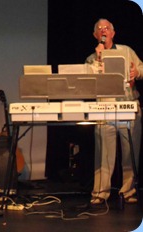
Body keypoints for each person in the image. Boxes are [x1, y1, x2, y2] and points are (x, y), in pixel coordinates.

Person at [85, 18, 143, 204]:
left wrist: (137, 73)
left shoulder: (126, 51)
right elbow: (88, 82)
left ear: (113, 33)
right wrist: (100, 58)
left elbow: (141, 68)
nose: (103, 30)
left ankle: (128, 191)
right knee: (104, 153)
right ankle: (100, 193)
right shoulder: (92, 59)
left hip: (128, 104)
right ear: (96, 35)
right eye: (100, 29)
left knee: (130, 152)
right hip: (105, 109)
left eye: (107, 28)